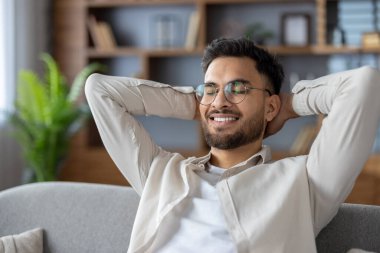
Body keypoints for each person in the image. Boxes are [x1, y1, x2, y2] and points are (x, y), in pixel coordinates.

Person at [85, 37, 380, 253]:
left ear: (270, 106)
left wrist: (288, 105)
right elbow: (98, 89)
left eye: (238, 88)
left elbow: (363, 84)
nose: (221, 100)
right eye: (211, 88)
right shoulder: (160, 174)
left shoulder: (305, 183)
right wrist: (198, 104)